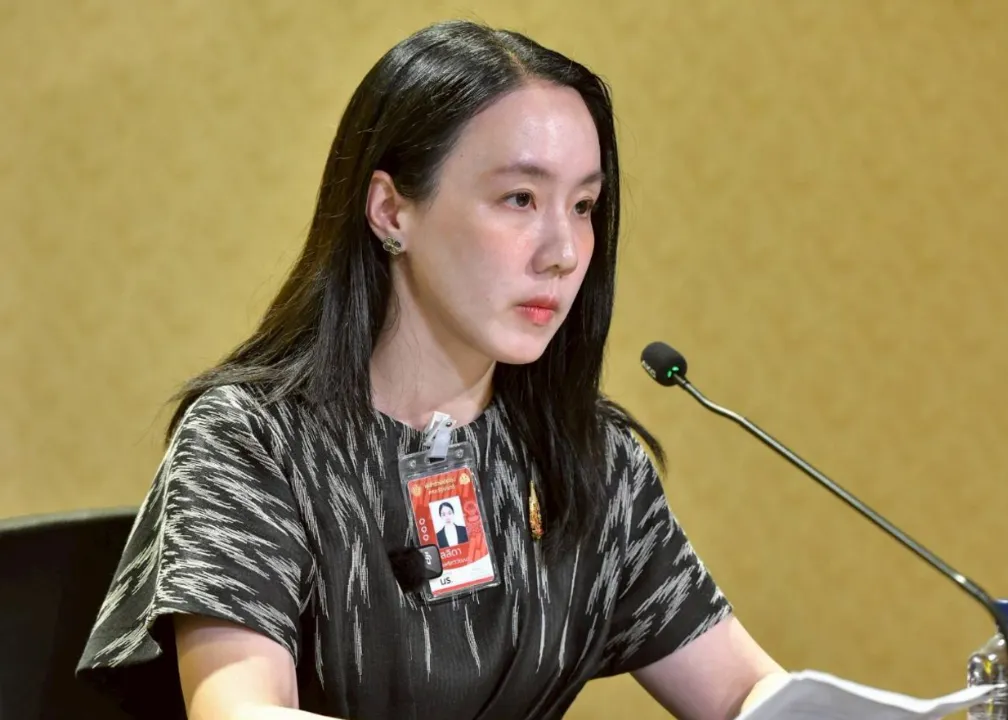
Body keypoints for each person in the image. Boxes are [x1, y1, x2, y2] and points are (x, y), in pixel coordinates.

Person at [75, 19, 785, 720]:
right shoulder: (252, 440)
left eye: (583, 206)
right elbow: (241, 712)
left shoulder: (590, 458)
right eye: (520, 199)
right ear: (391, 211)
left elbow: (745, 693)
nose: (563, 252)